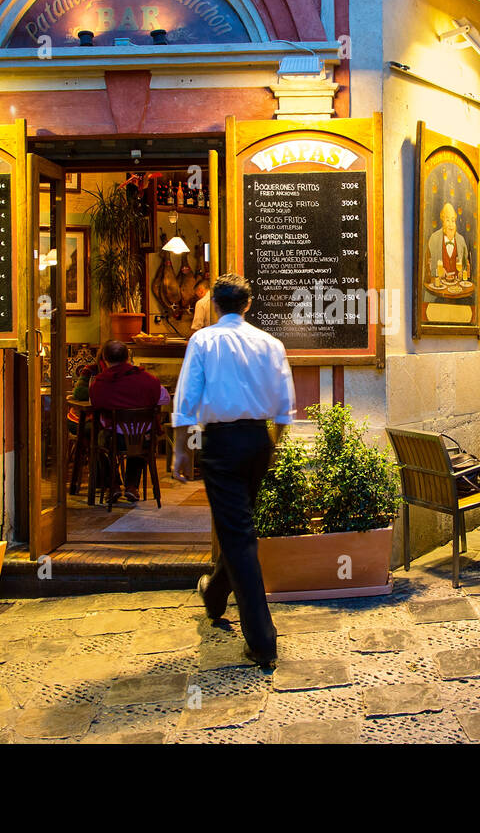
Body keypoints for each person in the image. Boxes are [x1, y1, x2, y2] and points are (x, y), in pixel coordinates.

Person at [173, 273, 296, 669]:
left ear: (214, 306)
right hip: (258, 441)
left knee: (238, 534)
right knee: (237, 526)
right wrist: (272, 445)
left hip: (222, 445)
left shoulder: (203, 341)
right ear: (247, 305)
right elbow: (284, 401)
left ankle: (263, 640)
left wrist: (180, 451)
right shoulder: (271, 343)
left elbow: (187, 398)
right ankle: (214, 593)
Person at [88, 340, 171, 507]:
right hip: (144, 438)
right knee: (138, 439)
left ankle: (113, 485)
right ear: (128, 357)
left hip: (115, 440)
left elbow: (96, 405)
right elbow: (165, 398)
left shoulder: (100, 383)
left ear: (104, 358)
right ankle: (132, 486)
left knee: (94, 438)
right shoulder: (148, 379)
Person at [427, 203, 469, 281]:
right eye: (447, 220)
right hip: (441, 287)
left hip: (457, 288)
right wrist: (438, 272)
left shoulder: (461, 240)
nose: (451, 225)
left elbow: (465, 266)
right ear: (443, 221)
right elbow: (429, 269)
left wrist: (462, 273)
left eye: (453, 221)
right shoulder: (434, 239)